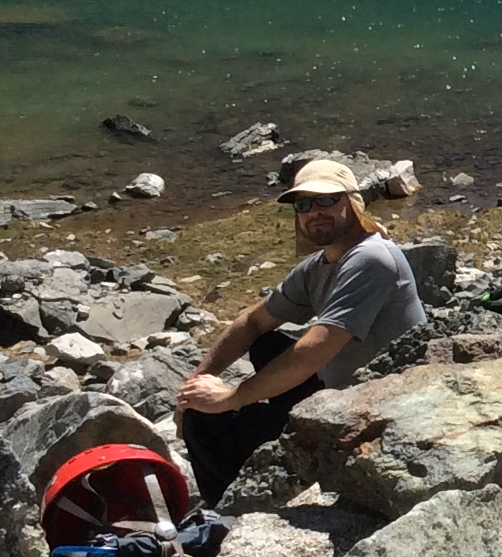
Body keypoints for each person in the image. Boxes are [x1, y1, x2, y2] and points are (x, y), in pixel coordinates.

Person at [175, 157, 427, 503]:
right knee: (265, 344)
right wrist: (193, 387)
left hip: (380, 410)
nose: (314, 212)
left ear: (352, 203)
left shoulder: (372, 258)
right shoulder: (320, 265)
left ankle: (227, 512)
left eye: (326, 200)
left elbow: (317, 349)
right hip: (342, 387)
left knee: (203, 422)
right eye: (303, 204)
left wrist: (231, 398)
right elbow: (252, 321)